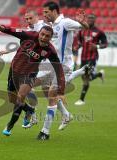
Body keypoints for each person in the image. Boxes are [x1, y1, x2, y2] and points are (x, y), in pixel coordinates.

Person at [0, 24, 66, 137]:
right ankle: (29, 110)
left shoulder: (50, 50)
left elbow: (59, 69)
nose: (43, 37)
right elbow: (14, 31)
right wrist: (3, 29)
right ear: (39, 33)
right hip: (14, 70)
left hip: (30, 74)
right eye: (42, 34)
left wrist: (61, 89)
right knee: (12, 99)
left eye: (47, 36)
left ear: (50, 38)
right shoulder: (29, 35)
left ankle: (10, 125)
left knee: (20, 97)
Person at [37, 1, 89, 140]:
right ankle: (66, 115)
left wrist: (82, 22)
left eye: (46, 12)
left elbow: (84, 27)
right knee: (45, 90)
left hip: (64, 65)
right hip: (50, 65)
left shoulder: (65, 23)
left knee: (52, 94)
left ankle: (45, 132)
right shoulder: (49, 26)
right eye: (43, 12)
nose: (45, 15)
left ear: (54, 11)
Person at [74, 14, 108, 106]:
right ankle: (99, 74)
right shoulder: (82, 31)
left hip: (93, 57)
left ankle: (81, 100)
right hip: (83, 57)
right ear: (86, 19)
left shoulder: (99, 32)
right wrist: (77, 46)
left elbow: (105, 44)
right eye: (89, 18)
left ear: (95, 20)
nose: (90, 20)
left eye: (92, 18)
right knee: (85, 77)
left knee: (86, 77)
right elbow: (80, 42)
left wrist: (96, 46)